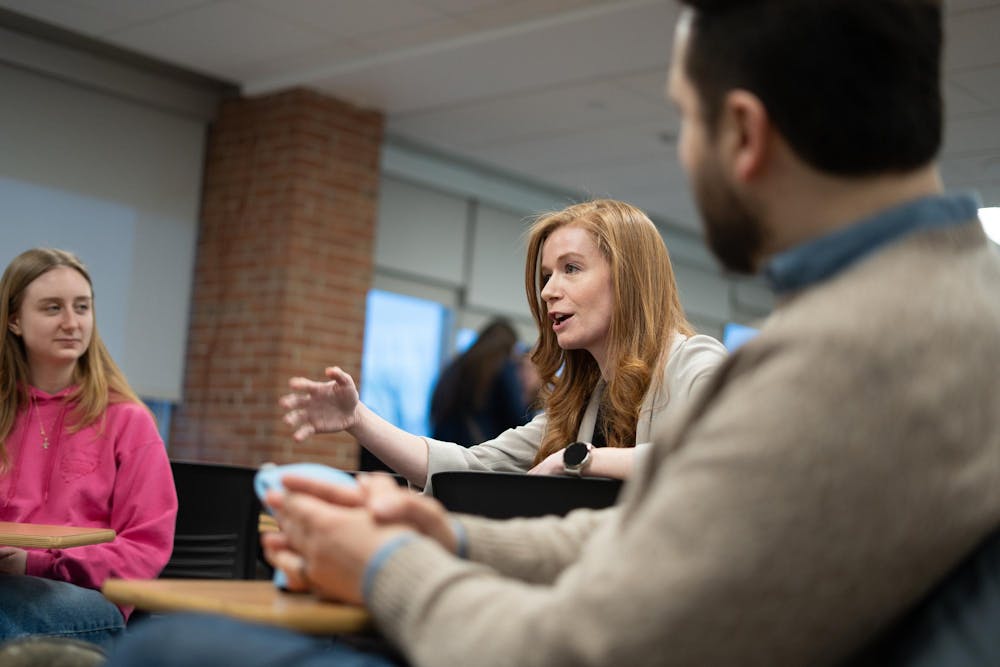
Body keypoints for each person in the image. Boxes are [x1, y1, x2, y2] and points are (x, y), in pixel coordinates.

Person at [107, 0, 1000, 665]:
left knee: (172, 650)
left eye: (684, 118)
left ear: (742, 133)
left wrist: (387, 564)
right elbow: (668, 532)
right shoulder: (931, 306)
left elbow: (576, 644)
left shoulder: (851, 356)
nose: (551, 292)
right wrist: (443, 534)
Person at [281, 199, 727, 487]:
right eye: (547, 275)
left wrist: (578, 460)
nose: (549, 289)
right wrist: (356, 418)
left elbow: (713, 458)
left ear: (628, 279)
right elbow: (466, 470)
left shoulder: (695, 362)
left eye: (571, 268)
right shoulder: (584, 402)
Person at [0, 248, 177, 647]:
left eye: (82, 307)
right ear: (13, 320)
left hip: (92, 601)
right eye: (51, 308)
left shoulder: (127, 419)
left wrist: (35, 561)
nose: (71, 322)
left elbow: (145, 549)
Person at [429, 318, 532, 445]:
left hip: (442, 445)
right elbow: (516, 417)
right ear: (509, 345)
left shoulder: (457, 364)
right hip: (475, 450)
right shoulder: (502, 367)